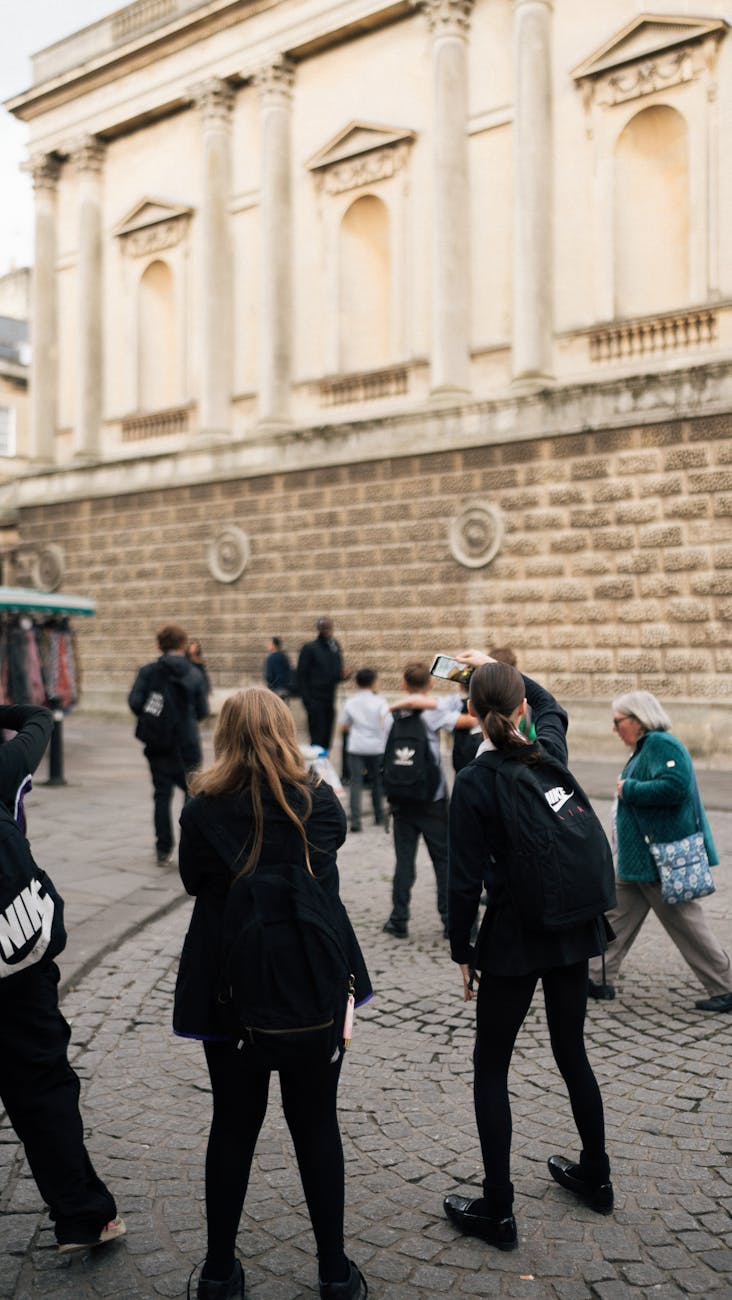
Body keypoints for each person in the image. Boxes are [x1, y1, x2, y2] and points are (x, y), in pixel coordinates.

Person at [173, 688, 371, 1300]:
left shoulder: (203, 809)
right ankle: (334, 1273)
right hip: (313, 984)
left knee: (232, 1124)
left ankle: (218, 1274)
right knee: (316, 1123)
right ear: (288, 732)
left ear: (224, 736)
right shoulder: (321, 803)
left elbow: (193, 881)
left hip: (233, 991)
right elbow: (327, 870)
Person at [444, 650, 614, 1251]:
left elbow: (461, 879)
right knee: (572, 1051)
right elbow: (551, 707)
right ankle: (597, 1174)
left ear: (469, 711)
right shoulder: (548, 755)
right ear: (519, 709)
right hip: (571, 929)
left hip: (515, 937)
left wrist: (462, 947)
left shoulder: (474, 779)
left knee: (491, 1067)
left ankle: (498, 1207)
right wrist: (495, 665)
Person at [0, 702, 125, 1253]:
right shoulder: (6, 765)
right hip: (13, 965)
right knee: (43, 1088)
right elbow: (40, 718)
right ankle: (81, 1215)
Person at [588, 691, 732, 1013]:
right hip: (638, 860)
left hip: (658, 862)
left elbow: (675, 785)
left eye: (618, 722)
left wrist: (630, 789)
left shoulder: (660, 744)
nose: (614, 729)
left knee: (686, 924)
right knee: (615, 917)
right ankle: (597, 978)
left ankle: (726, 986)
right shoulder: (644, 748)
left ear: (637, 720)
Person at [382, 660, 473, 941]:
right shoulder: (434, 713)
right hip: (432, 799)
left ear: (404, 684)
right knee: (443, 861)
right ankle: (449, 921)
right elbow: (469, 721)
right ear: (431, 683)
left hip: (401, 798)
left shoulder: (392, 714)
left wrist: (398, 704)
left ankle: (399, 919)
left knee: (404, 862)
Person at [128, 624, 208, 864]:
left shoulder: (148, 671)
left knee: (161, 795)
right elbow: (203, 711)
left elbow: (134, 703)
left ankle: (163, 849)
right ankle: (189, 848)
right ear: (183, 645)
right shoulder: (194, 673)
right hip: (187, 744)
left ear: (159, 645)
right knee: (191, 794)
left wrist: (154, 713)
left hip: (158, 742)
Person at [339, 668, 388, 831]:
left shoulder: (350, 702)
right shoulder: (380, 701)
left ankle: (355, 821)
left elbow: (344, 725)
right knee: (376, 781)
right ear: (373, 682)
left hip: (357, 745)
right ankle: (379, 816)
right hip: (376, 746)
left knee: (355, 783)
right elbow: (387, 724)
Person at [296, 618, 348, 751]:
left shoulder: (334, 646)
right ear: (318, 629)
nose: (326, 631)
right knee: (317, 736)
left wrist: (344, 676)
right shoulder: (310, 648)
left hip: (329, 698)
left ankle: (325, 764)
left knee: (327, 736)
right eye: (323, 628)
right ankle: (317, 764)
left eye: (328, 628)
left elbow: (336, 673)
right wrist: (307, 700)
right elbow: (301, 675)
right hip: (315, 699)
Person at [187, 639, 212, 711]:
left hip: (201, 682)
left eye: (194, 647)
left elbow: (204, 674)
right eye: (191, 647)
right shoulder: (187, 660)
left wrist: (207, 686)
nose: (193, 648)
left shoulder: (200, 659)